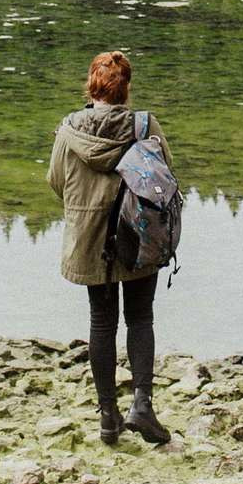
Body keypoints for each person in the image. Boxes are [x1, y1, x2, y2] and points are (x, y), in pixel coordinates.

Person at [46, 49, 173, 446]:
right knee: (140, 319)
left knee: (102, 323)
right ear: (126, 89)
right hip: (137, 235)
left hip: (90, 239)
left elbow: (54, 181)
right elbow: (165, 177)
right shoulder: (143, 124)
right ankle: (142, 405)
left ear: (92, 85)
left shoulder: (69, 129)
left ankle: (107, 418)